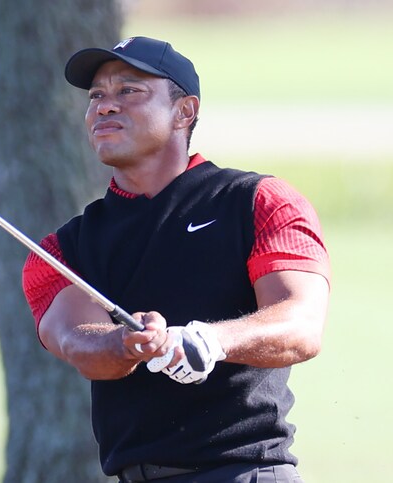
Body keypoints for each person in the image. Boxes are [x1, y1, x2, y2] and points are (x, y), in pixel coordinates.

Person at [21, 36, 331, 483]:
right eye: (96, 96)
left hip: (244, 472)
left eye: (129, 91)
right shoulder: (62, 249)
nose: (105, 107)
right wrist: (126, 344)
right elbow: (75, 342)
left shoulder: (259, 202)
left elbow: (300, 325)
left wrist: (209, 341)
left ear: (184, 111)